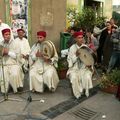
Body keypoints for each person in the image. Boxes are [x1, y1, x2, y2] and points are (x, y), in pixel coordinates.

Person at [67, 31, 93, 99]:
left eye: (82, 37)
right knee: (74, 77)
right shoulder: (72, 48)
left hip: (84, 68)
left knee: (87, 76)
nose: (81, 39)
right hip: (74, 68)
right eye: (79, 38)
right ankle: (77, 93)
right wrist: (76, 55)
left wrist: (89, 65)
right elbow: (70, 61)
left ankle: (85, 91)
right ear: (75, 39)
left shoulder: (85, 47)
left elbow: (90, 59)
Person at [0, 28, 24, 93]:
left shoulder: (15, 43)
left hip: (14, 63)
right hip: (4, 64)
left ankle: (17, 87)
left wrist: (8, 52)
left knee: (14, 74)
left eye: (9, 34)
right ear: (3, 35)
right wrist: (2, 54)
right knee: (3, 74)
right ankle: (5, 89)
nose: (8, 36)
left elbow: (17, 55)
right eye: (6, 34)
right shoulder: (1, 44)